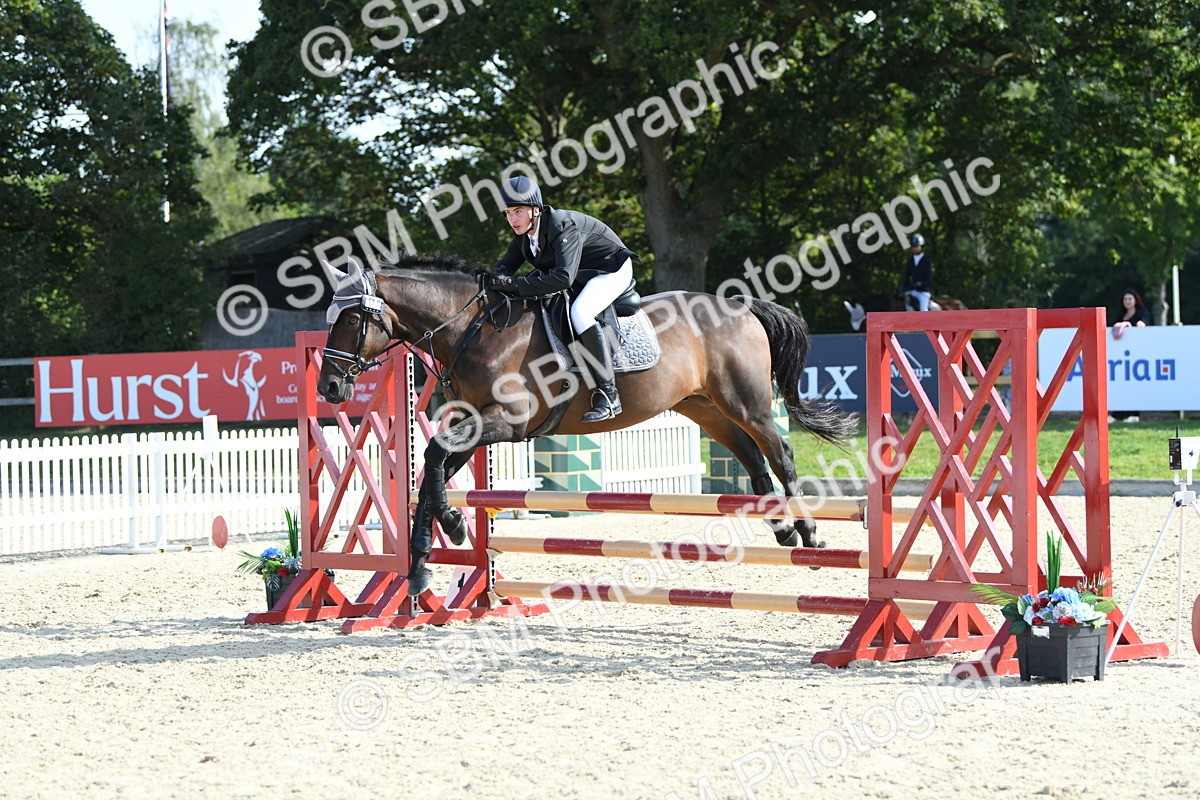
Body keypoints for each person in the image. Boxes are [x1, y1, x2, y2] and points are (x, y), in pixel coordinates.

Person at [484, 176, 636, 422]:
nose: (512, 219)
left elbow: (562, 279)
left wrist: (516, 285)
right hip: (582, 274)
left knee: (581, 311)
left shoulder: (561, 226)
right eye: (508, 213)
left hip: (609, 270)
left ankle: (609, 395)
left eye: (518, 211)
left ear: (536, 210)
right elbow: (502, 269)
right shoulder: (524, 237)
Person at [1109, 288, 1151, 423]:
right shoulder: (1121, 315)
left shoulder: (1141, 313)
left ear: (1135, 300)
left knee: (1134, 384)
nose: (1127, 301)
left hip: (1137, 355)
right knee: (1122, 384)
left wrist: (1140, 324)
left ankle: (1133, 414)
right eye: (1125, 299)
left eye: (1130, 299)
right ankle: (1119, 414)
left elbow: (1144, 324)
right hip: (1122, 357)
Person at [900, 233, 933, 311]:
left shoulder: (926, 261)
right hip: (912, 291)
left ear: (921, 247)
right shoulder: (910, 261)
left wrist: (919, 284)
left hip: (923, 292)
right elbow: (907, 276)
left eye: (916, 246)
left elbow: (928, 279)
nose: (915, 249)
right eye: (913, 247)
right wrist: (903, 287)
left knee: (923, 310)